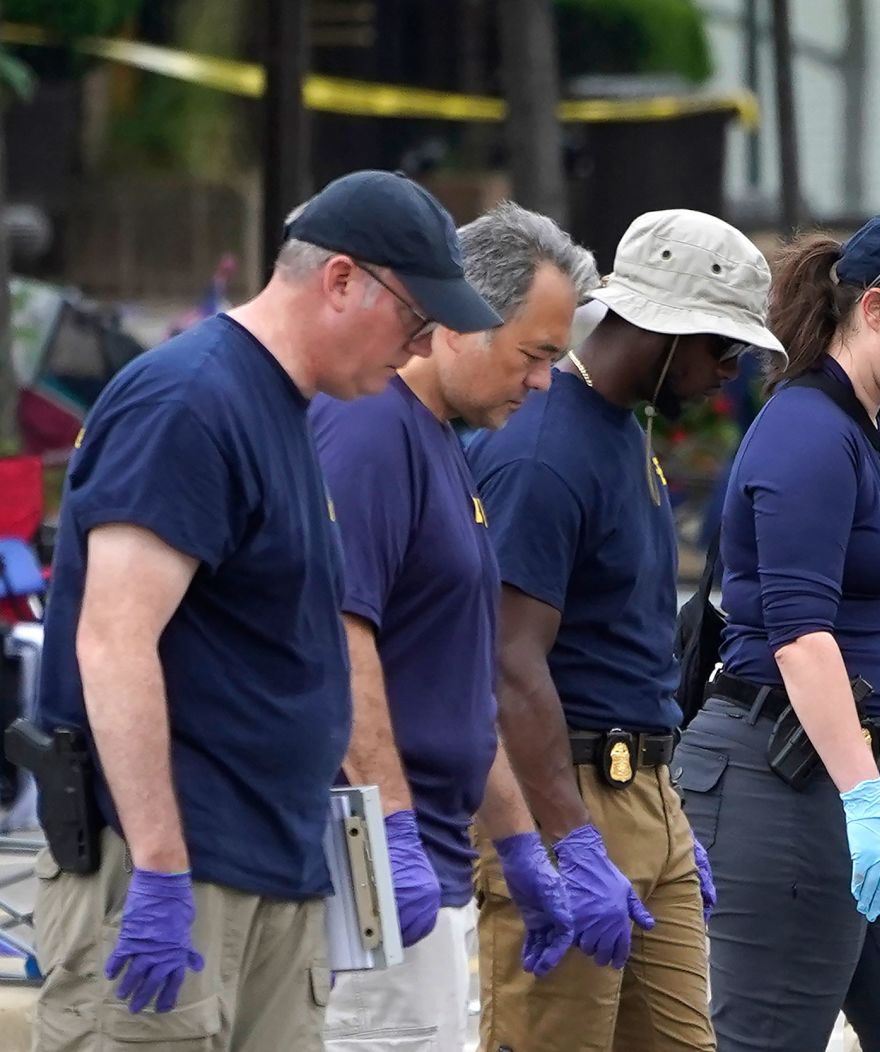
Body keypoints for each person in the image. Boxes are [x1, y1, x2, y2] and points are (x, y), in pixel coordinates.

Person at [26, 169, 499, 1052]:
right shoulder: (192, 399)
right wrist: (162, 871)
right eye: (416, 315)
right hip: (176, 874)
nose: (422, 341)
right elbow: (112, 639)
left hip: (272, 867)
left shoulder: (286, 408)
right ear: (343, 279)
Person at [673, 211, 880, 1052]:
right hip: (783, 780)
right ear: (877, 308)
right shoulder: (805, 434)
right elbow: (800, 636)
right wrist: (861, 798)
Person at [465, 208, 781, 1052]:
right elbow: (507, 663)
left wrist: (664, 816)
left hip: (647, 791)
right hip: (562, 791)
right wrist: (568, 844)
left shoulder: (621, 428)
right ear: (661, 328)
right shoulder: (542, 449)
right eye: (721, 346)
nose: (729, 369)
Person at [310, 201, 596, 1051]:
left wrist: (517, 846)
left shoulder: (439, 440)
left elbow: (456, 691)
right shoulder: (369, 432)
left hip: (435, 865)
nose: (543, 382)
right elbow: (342, 635)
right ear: (464, 321)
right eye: (535, 354)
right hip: (375, 879)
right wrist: (388, 834)